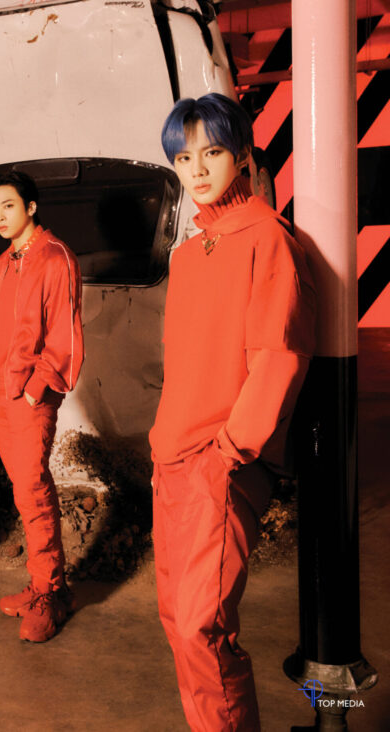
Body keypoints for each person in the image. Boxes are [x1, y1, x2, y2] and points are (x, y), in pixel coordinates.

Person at [151, 93, 315, 732]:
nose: (196, 170)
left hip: (221, 462)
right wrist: (163, 445)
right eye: (183, 157)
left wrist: (229, 455)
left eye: (212, 152)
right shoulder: (191, 253)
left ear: (242, 156)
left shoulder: (268, 238)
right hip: (172, 459)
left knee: (202, 628)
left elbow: (278, 357)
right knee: (176, 621)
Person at [0, 170, 84, 643]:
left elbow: (65, 335)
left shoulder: (56, 257)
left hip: (28, 393)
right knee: (22, 490)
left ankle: (49, 593)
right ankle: (45, 586)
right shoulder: (3, 262)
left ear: (31, 207)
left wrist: (37, 388)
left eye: (8, 206)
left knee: (33, 488)